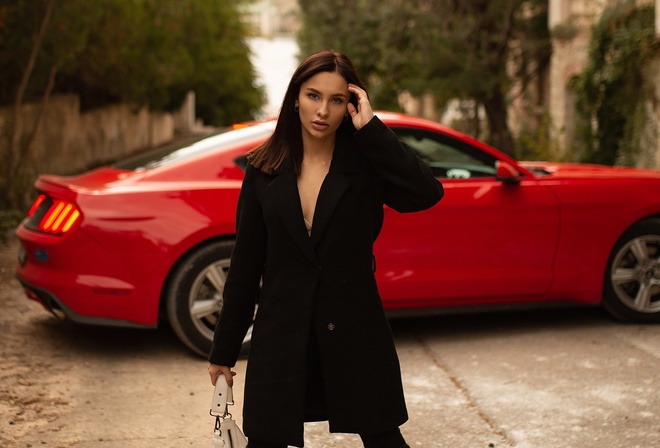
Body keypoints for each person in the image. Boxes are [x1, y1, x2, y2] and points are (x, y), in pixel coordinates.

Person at [208, 50, 444, 448]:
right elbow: (246, 266)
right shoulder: (264, 170)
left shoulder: (366, 163)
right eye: (313, 96)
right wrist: (223, 352)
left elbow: (426, 192)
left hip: (354, 328)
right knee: (266, 439)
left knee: (383, 437)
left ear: (350, 104)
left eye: (337, 100)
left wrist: (371, 129)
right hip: (282, 334)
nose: (323, 111)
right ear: (295, 98)